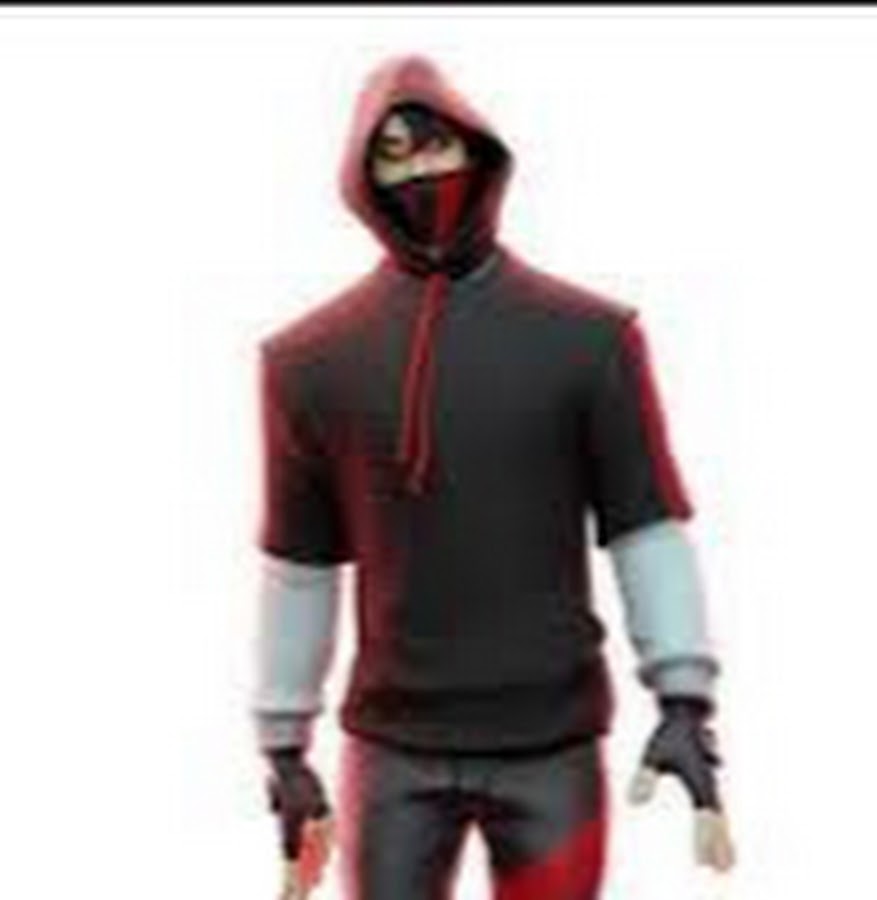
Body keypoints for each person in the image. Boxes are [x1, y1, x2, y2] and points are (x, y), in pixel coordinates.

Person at [250, 54, 735, 900]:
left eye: (437, 143)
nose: (419, 169)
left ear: (481, 151)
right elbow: (299, 565)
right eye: (392, 152)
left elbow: (646, 528)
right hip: (391, 755)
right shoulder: (308, 363)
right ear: (361, 176)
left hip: (553, 747)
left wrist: (685, 701)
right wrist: (284, 748)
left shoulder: (589, 340)